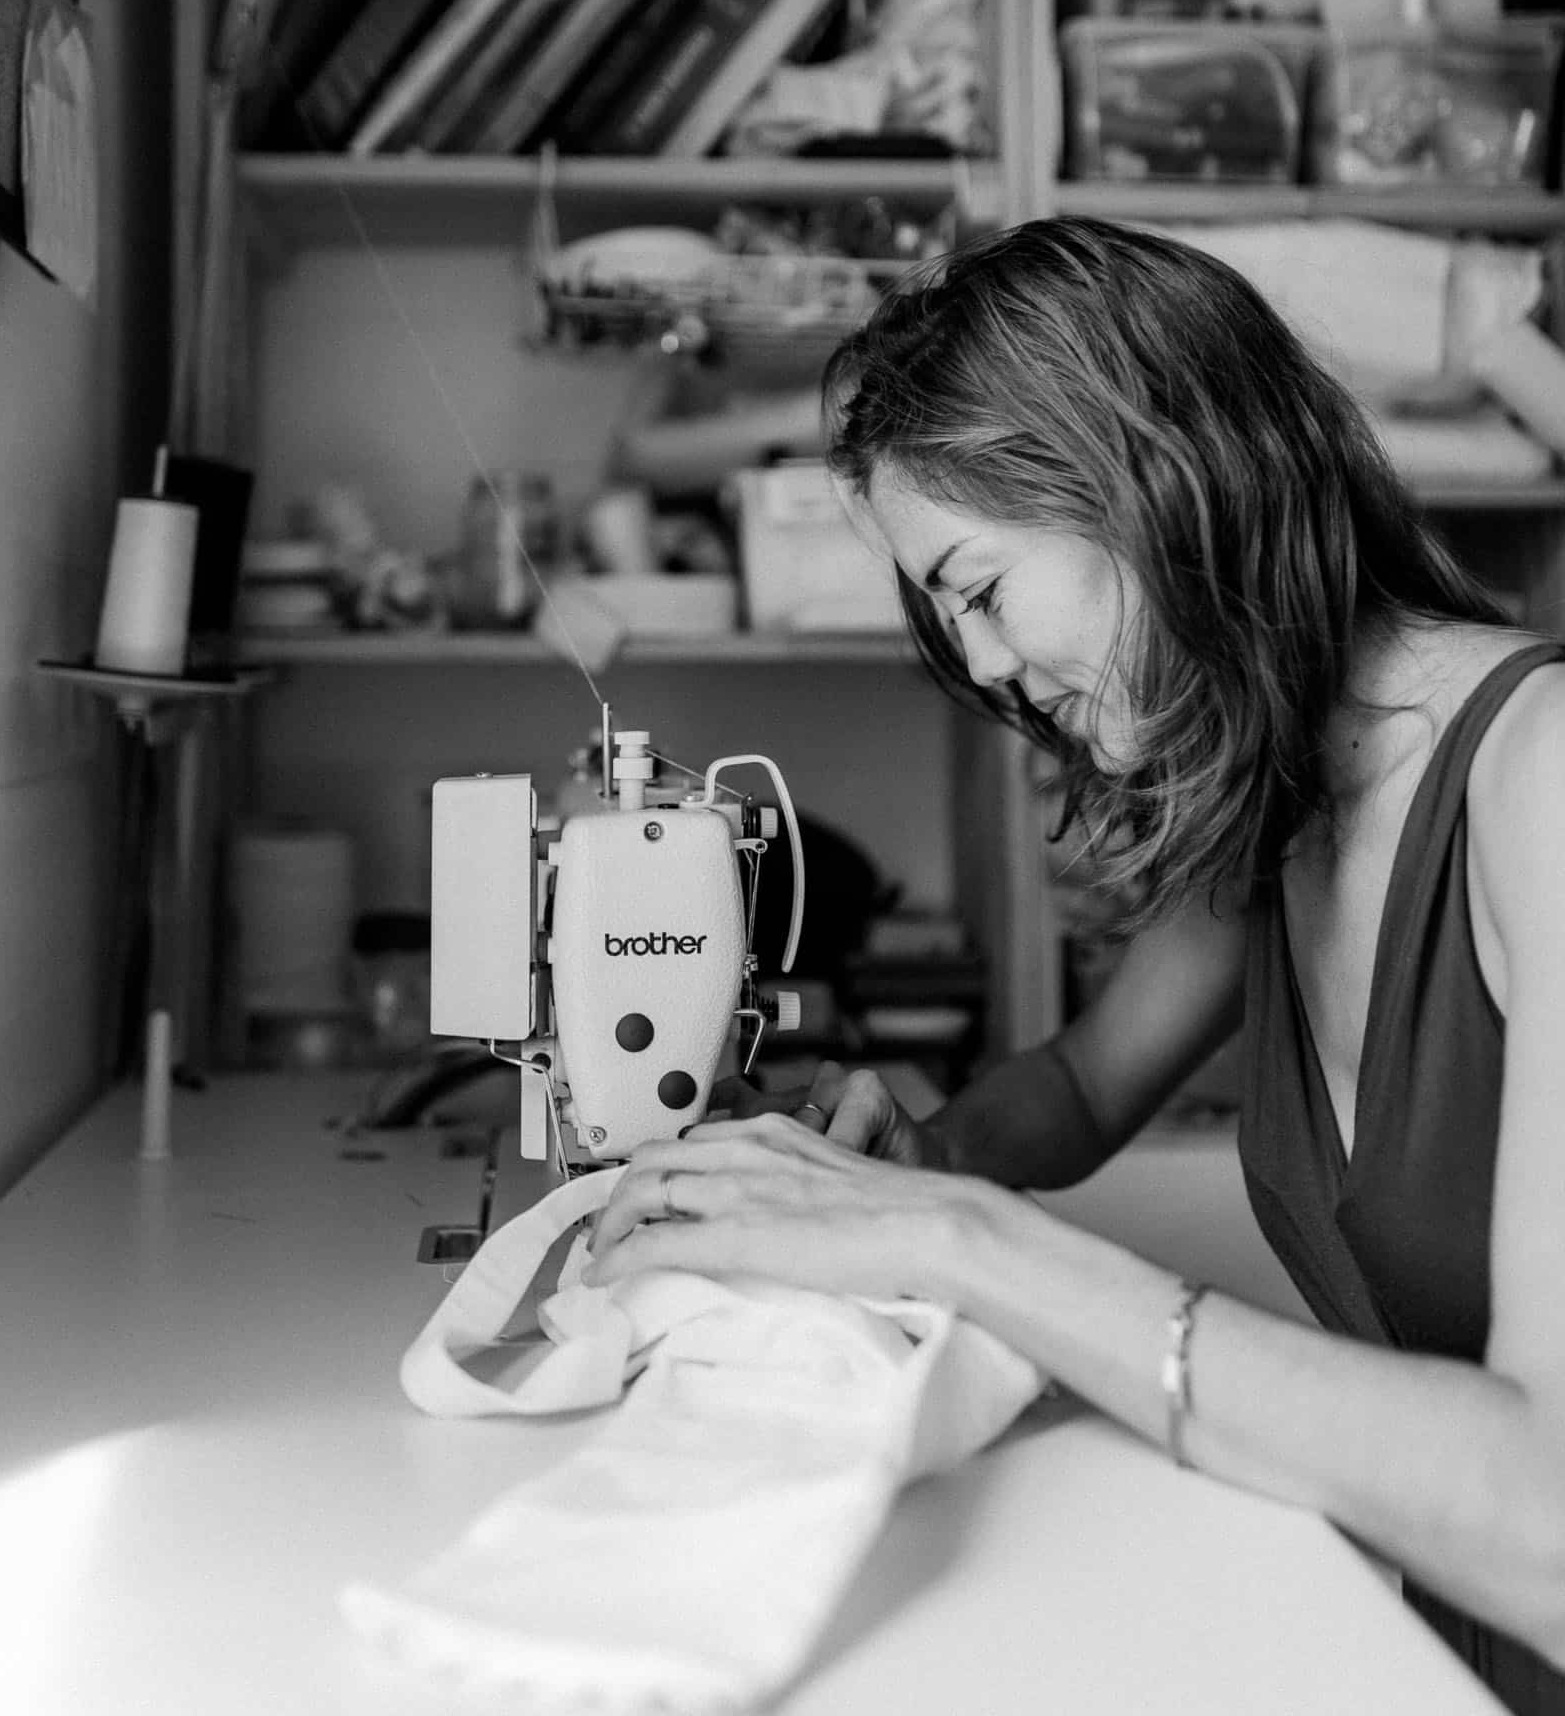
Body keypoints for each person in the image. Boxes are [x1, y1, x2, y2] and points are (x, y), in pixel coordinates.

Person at [587, 217, 1565, 1713]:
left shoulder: (1541, 781)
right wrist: (912, 1159)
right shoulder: (1280, 789)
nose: (979, 669)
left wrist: (954, 1243)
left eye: (977, 589)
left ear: (1151, 474)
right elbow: (1084, 1087)